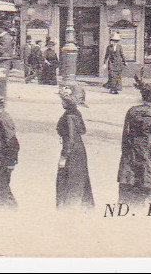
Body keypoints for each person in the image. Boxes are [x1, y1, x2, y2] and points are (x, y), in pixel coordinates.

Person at [117, 81, 151, 208]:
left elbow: (125, 135)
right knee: (149, 178)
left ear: (142, 95)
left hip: (133, 148)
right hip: (150, 149)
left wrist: (125, 151)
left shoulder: (132, 111)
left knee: (130, 177)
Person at [56, 83, 94, 211]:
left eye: (63, 100)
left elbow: (70, 140)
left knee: (69, 180)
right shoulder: (76, 113)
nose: (62, 103)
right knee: (80, 178)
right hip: (80, 150)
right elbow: (83, 130)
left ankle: (67, 209)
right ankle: (84, 207)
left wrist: (63, 157)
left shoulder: (68, 116)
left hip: (72, 152)